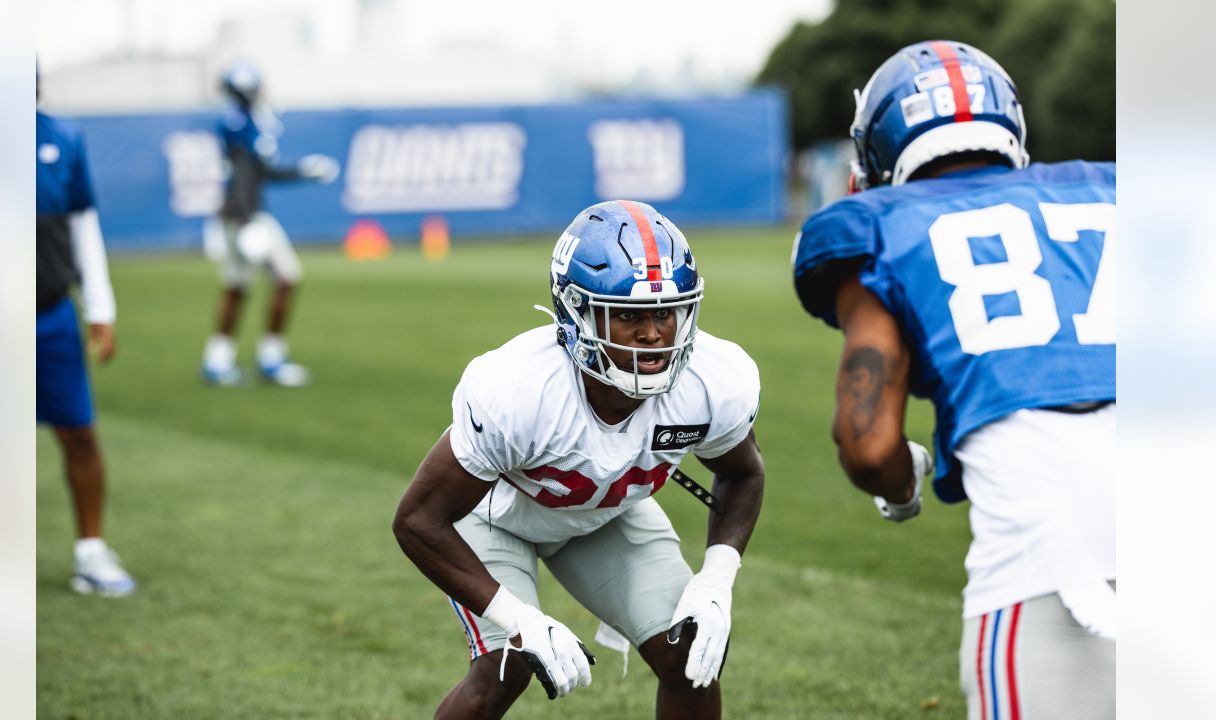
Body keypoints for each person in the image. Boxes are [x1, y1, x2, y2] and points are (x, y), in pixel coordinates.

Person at [792, 40, 1115, 719]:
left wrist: (902, 485)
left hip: (1047, 560)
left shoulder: (882, 227)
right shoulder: (1113, 192)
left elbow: (868, 444)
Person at [393, 200, 765, 719]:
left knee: (692, 653)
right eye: (628, 316)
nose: (654, 334)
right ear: (577, 313)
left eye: (665, 311)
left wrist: (716, 581)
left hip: (605, 517)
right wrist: (518, 619)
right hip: (498, 518)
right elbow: (417, 520)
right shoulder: (520, 389)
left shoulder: (711, 380)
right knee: (506, 666)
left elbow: (742, 472)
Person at [37, 81, 136, 597]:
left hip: (49, 315)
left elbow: (82, 224)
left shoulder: (60, 140)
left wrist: (100, 308)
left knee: (79, 433)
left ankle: (90, 552)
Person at [200, 62, 338, 387]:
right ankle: (271, 358)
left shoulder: (240, 122)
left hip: (236, 214)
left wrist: (302, 171)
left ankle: (217, 360)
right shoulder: (241, 124)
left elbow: (257, 173)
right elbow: (245, 174)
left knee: (237, 287)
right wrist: (248, 220)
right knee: (286, 277)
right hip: (245, 215)